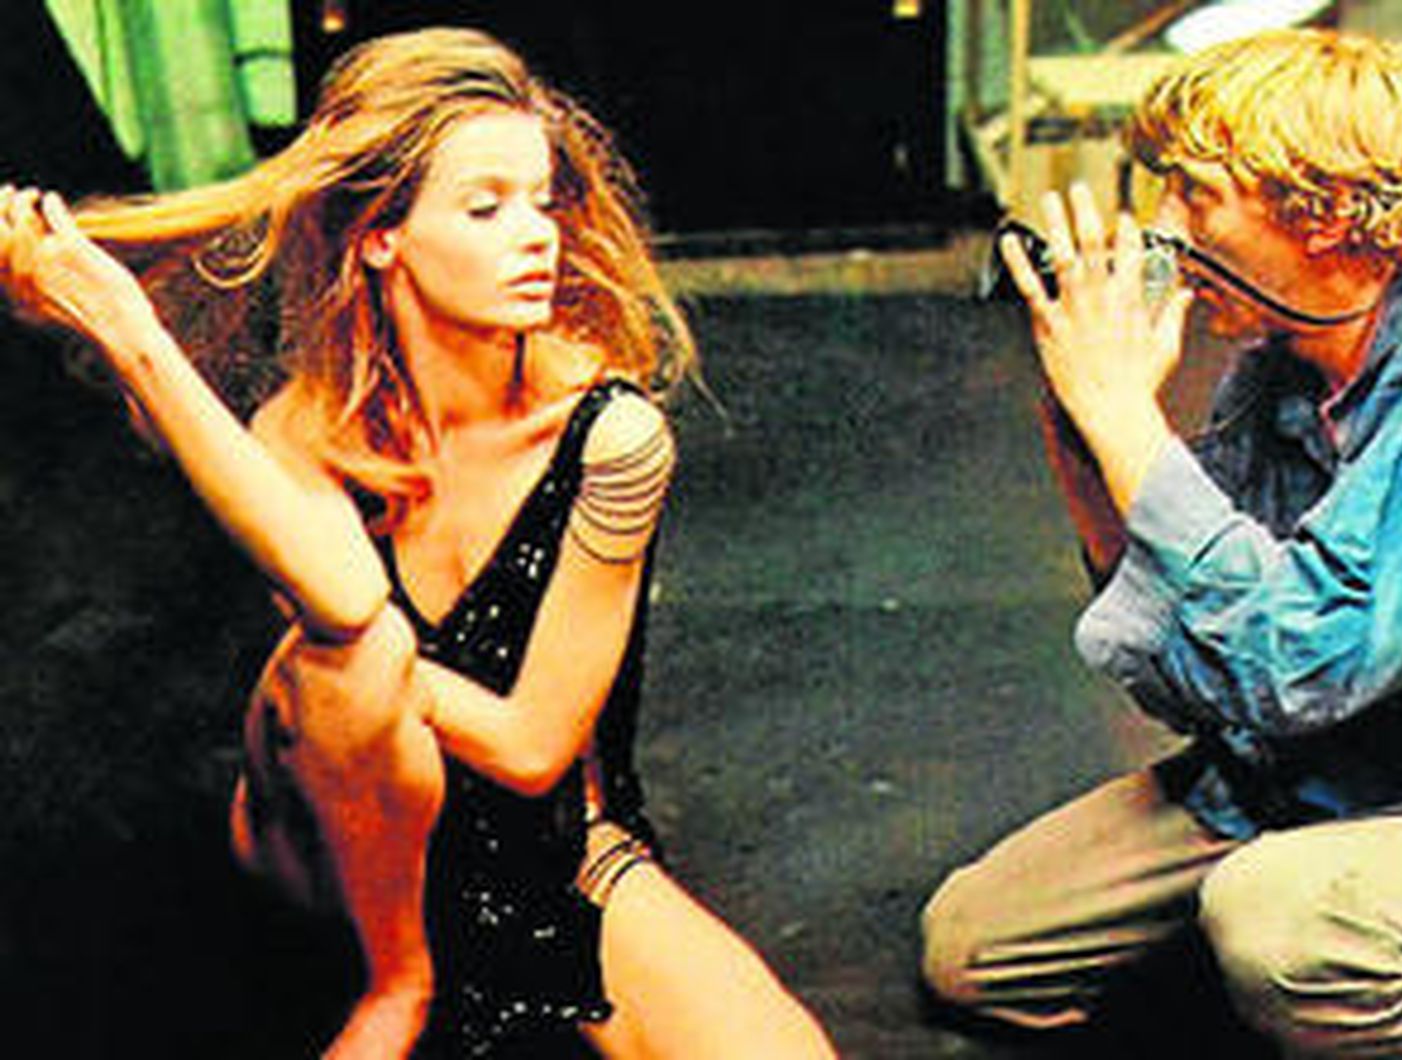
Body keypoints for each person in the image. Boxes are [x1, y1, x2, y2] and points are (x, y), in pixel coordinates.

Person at [0, 26, 834, 1060]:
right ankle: (398, 982)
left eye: (543, 202)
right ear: (380, 237)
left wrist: (390, 668)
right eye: (486, 208)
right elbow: (347, 611)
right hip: (335, 845)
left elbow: (532, 747)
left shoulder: (609, 438)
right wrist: (132, 339)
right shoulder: (310, 429)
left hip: (545, 841)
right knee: (351, 657)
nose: (536, 237)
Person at [922, 28, 1402, 1058]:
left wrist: (1130, 423)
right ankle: (1325, 972)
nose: (1164, 228)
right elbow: (1209, 677)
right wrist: (1085, 439)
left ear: (1323, 215)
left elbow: (1301, 662)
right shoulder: (1277, 371)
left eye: (1195, 195)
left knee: (1276, 925)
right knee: (974, 947)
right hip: (1327, 777)